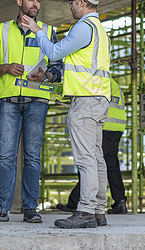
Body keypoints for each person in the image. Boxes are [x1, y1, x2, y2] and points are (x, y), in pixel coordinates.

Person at [21, 0, 111, 228]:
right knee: (96, 157)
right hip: (98, 98)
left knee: (86, 159)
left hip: (85, 102)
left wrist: (37, 31)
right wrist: (50, 79)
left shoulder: (84, 27)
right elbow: (82, 69)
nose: (70, 6)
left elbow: (53, 53)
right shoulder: (100, 31)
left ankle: (84, 211)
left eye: (72, 1)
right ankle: (98, 211)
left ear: (82, 2)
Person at [0, 0, 63, 223]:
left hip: (38, 100)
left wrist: (45, 75)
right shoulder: (2, 30)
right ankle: (0, 207)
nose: (36, 4)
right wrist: (4, 68)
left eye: (38, 0)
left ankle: (30, 208)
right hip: (10, 101)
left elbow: (58, 68)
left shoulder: (47, 32)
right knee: (6, 156)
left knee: (33, 157)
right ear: (19, 1)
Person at [56, 77, 128, 215]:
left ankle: (76, 202)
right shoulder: (113, 83)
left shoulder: (99, 80)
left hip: (103, 125)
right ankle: (120, 201)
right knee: (110, 165)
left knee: (89, 161)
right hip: (117, 126)